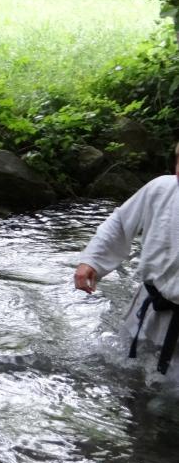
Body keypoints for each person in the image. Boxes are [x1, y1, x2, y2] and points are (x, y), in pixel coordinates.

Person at [74, 143, 179, 376]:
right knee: (128, 380)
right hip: (150, 310)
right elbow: (121, 222)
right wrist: (91, 261)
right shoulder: (161, 189)